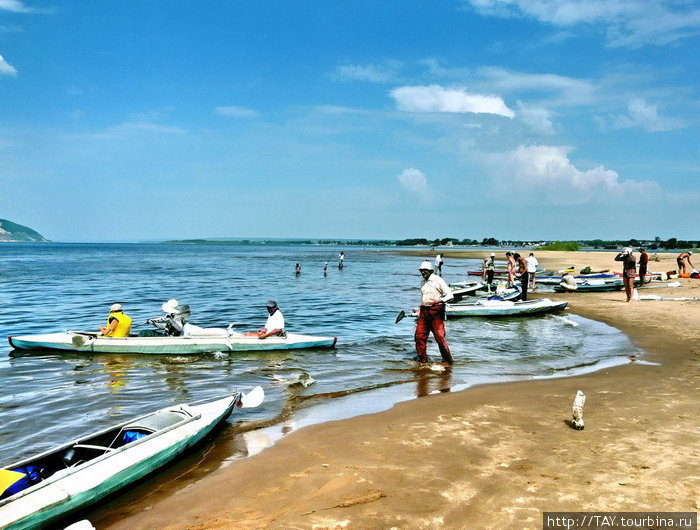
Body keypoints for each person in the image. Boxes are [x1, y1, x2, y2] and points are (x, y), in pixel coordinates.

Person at [414, 261, 454, 364]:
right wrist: (419, 308)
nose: (423, 272)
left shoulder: (438, 280)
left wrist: (441, 300)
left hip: (436, 311)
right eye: (421, 270)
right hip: (424, 312)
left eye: (425, 270)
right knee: (419, 336)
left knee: (439, 337)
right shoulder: (422, 282)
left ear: (431, 271)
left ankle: (448, 361)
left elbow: (450, 295)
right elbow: (423, 297)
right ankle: (422, 361)